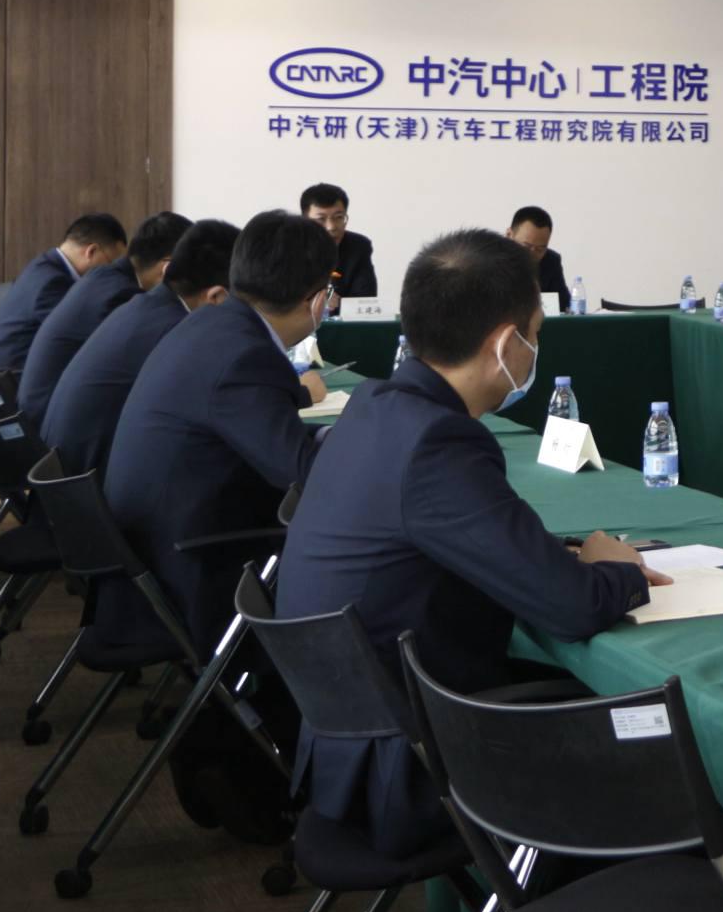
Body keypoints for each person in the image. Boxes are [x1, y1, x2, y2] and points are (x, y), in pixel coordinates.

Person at [278, 228, 663, 856]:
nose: (535, 349)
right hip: (421, 765)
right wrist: (622, 572)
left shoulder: (377, 406)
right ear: (507, 344)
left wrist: (557, 555)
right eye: (535, 334)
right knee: (662, 738)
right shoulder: (438, 441)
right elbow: (572, 608)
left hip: (351, 742)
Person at [105, 209, 335, 655]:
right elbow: (303, 474)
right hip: (196, 568)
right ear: (315, 300)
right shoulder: (245, 356)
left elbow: (276, 442)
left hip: (153, 546)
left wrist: (332, 438)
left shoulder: (213, 324)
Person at [42, 220, 238, 477]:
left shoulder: (145, 305)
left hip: (62, 467)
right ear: (217, 294)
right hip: (86, 473)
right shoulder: (173, 326)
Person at [17, 211, 191, 442]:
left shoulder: (103, 277)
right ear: (168, 267)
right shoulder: (124, 297)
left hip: (43, 421)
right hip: (48, 432)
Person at [0, 213, 127, 376]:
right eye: (112, 264)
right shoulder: (52, 283)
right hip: (12, 382)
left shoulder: (44, 267)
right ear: (91, 252)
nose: (115, 274)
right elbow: (84, 341)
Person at [301, 181, 377, 302]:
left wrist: (332, 301)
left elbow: (363, 300)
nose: (331, 227)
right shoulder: (287, 248)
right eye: (321, 219)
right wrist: (314, 299)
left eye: (338, 217)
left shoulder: (358, 246)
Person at [507, 204, 570, 303]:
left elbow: (563, 305)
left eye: (540, 249)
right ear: (509, 235)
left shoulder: (551, 261)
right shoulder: (488, 260)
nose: (532, 254)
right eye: (526, 246)